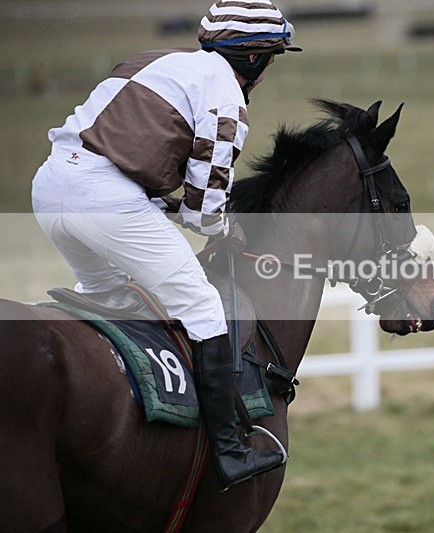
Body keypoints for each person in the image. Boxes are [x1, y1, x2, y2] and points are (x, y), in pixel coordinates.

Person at [31, 1, 301, 489]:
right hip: (108, 201)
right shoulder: (226, 100)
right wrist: (224, 230)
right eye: (272, 58)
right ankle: (230, 451)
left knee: (109, 293)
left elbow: (134, 160)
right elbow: (204, 214)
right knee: (203, 311)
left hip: (51, 187)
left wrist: (173, 207)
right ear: (256, 59)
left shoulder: (151, 60)